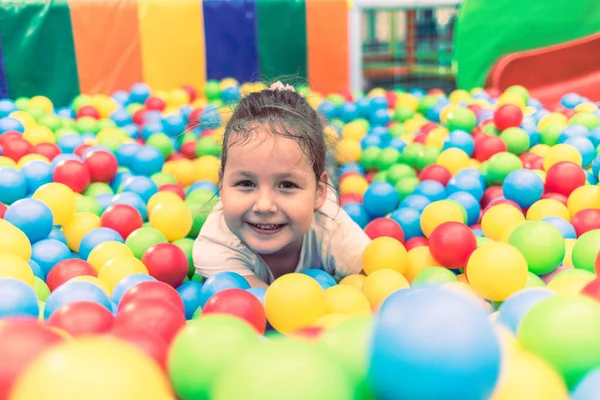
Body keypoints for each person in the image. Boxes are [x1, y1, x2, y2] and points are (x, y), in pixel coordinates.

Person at [193, 81, 371, 288]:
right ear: (221, 186)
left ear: (318, 193)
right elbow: (263, 306)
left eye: (286, 185)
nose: (264, 205)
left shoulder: (334, 228)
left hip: (319, 207)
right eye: (246, 183)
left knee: (326, 172)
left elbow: (377, 283)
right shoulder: (216, 244)